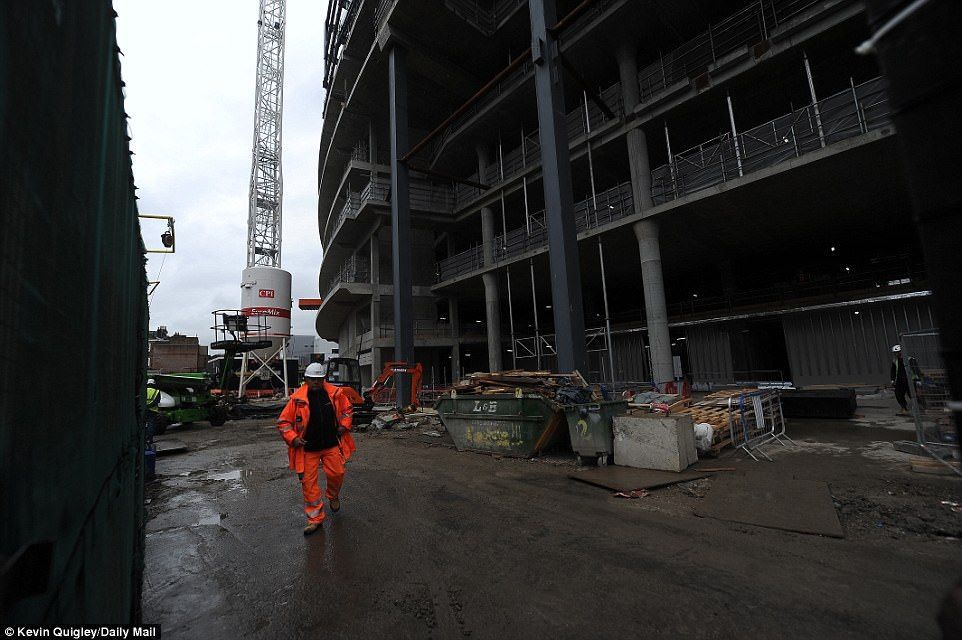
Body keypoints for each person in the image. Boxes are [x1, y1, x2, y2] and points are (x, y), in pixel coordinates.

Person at [277, 362, 356, 535]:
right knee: (309, 484)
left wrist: (344, 425)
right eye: (312, 379)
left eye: (318, 379)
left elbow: (347, 410)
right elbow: (283, 423)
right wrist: (294, 438)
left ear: (323, 379)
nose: (315, 383)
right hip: (307, 449)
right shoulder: (297, 400)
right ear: (306, 379)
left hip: (330, 444)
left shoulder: (335, 394)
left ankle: (333, 496)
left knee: (337, 473)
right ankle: (314, 520)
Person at [890, 344, 921, 416]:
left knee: (912, 394)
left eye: (898, 352)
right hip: (900, 381)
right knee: (898, 394)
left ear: (902, 351)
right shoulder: (895, 361)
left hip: (910, 380)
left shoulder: (910, 359)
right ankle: (904, 408)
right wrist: (892, 380)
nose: (896, 354)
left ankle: (918, 407)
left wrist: (918, 380)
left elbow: (916, 370)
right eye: (895, 353)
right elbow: (893, 371)